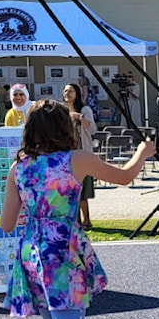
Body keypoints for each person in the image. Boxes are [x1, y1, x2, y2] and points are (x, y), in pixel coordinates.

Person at [0, 99, 155, 319]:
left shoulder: (19, 168)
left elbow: (7, 223)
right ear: (64, 130)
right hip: (62, 254)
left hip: (32, 254)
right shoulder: (75, 160)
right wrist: (144, 153)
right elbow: (125, 177)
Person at [62, 83, 96, 229]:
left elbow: (93, 129)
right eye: (65, 91)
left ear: (77, 94)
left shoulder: (84, 109)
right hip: (66, 155)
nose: (67, 93)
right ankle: (76, 221)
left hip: (82, 154)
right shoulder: (61, 111)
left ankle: (87, 220)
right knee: (71, 191)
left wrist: (80, 118)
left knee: (84, 190)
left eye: (70, 91)